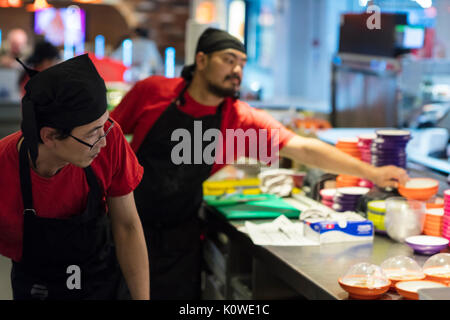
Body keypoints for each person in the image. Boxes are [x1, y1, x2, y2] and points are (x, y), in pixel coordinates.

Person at [111, 28, 409, 300]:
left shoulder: (238, 117)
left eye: (241, 63)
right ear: (201, 60)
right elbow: (104, 138)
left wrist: (374, 173)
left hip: (181, 237)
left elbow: (302, 147)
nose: (237, 70)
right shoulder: (153, 91)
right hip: (125, 226)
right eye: (229, 60)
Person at [0, 54, 149, 300]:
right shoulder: (5, 169)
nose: (103, 141)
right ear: (49, 136)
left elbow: (127, 226)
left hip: (100, 283)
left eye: (104, 125)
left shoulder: (110, 139)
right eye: (92, 134)